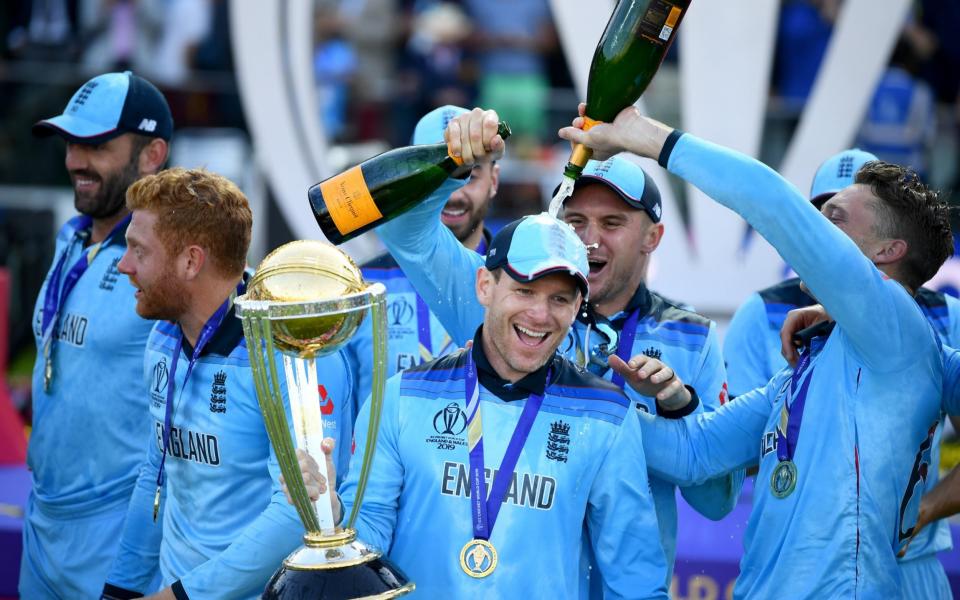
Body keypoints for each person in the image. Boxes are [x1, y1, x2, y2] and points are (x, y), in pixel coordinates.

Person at [558, 103, 953, 597]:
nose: (812, 230)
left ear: (885, 253)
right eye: (814, 215)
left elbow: (771, 202)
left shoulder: (901, 333)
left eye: (832, 218)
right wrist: (567, 393)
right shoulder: (808, 365)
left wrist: (646, 136)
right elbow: (695, 454)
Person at [369, 107, 740, 586]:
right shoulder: (509, 306)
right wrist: (454, 163)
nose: (589, 240)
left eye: (611, 223)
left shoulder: (690, 337)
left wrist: (676, 408)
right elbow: (406, 230)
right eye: (576, 220)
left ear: (653, 236)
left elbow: (717, 503)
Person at [292, 213, 672, 598]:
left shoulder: (606, 416)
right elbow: (369, 541)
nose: (540, 315)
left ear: (576, 309)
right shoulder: (401, 397)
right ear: (485, 286)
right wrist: (332, 512)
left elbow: (635, 581)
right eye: (524, 291)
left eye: (559, 298)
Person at [99, 168, 355, 599]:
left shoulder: (291, 347)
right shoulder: (163, 333)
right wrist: (120, 590)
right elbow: (156, 474)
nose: (124, 265)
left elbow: (301, 515)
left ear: (191, 261)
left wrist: (182, 596)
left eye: (138, 250)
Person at [21, 71, 172, 599]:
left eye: (97, 145)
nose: (74, 161)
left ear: (153, 154)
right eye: (70, 143)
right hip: (43, 525)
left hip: (118, 531)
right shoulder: (72, 239)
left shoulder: (176, 261)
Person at [344, 105, 498, 412]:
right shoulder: (359, 286)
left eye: (469, 174)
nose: (453, 193)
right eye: (440, 175)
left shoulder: (513, 283)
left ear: (494, 180)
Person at [724, 148, 880, 399]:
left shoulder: (940, 315)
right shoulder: (760, 311)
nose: (835, 230)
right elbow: (737, 432)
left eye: (855, 215)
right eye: (826, 214)